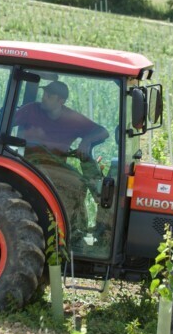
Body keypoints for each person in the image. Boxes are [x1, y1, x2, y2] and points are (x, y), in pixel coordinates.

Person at [12, 81, 109, 242]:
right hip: (29, 165)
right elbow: (6, 120)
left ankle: (74, 230)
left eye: (49, 96)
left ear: (61, 101)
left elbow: (102, 132)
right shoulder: (31, 110)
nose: (44, 97)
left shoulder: (71, 118)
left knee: (79, 184)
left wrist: (86, 141)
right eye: (44, 94)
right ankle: (65, 232)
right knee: (73, 184)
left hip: (55, 166)